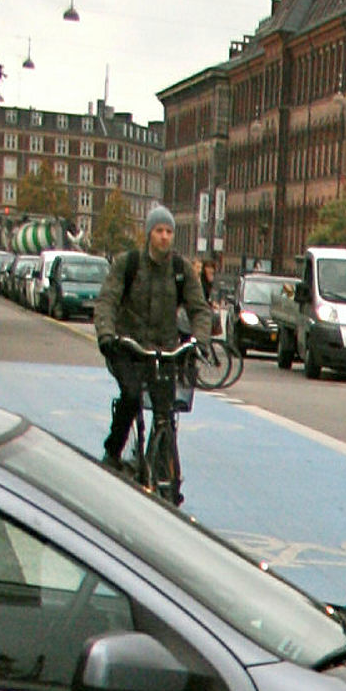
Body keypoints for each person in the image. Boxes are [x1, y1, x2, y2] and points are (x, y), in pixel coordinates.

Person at [94, 204, 213, 500]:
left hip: (164, 350)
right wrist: (107, 335)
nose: (164, 237)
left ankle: (166, 473)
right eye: (159, 231)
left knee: (166, 410)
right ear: (149, 234)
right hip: (129, 347)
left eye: (169, 232)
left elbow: (199, 309)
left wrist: (199, 340)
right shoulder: (128, 263)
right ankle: (113, 452)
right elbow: (107, 301)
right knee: (132, 397)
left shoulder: (180, 269)